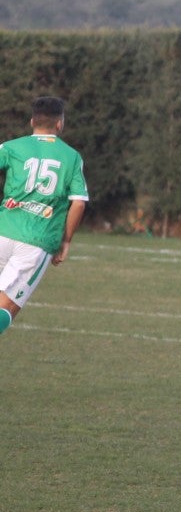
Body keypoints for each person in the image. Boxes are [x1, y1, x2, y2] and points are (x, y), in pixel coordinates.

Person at [0, 96, 89, 337]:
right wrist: (66, 240)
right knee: (4, 311)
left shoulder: (11, 147)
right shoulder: (71, 157)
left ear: (32, 121)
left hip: (3, 230)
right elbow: (78, 202)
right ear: (60, 123)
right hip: (35, 242)